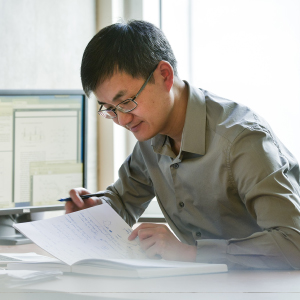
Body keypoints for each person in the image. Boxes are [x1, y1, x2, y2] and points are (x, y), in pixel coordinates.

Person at [66, 20, 300, 269]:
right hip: (202, 286)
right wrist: (94, 211)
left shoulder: (241, 140)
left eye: (126, 102)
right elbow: (122, 201)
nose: (122, 120)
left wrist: (191, 253)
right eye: (110, 109)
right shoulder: (149, 136)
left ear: (164, 75)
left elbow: (293, 243)